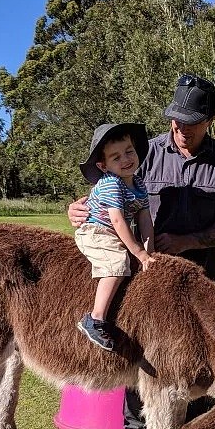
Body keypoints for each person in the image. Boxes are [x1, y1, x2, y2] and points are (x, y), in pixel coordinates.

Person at [69, 74, 215, 429]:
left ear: (210, 120)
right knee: (143, 355)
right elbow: (105, 191)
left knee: (197, 364)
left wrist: (188, 240)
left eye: (190, 121)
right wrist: (77, 209)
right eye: (174, 119)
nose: (179, 128)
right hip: (143, 276)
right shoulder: (144, 151)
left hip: (197, 280)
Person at [74, 123, 156, 351]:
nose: (126, 159)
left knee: (132, 260)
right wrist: (138, 251)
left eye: (129, 151)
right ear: (103, 165)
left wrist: (149, 253)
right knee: (116, 263)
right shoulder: (111, 183)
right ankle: (95, 318)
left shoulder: (139, 184)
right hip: (95, 230)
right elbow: (118, 220)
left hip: (112, 231)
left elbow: (145, 220)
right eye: (116, 157)